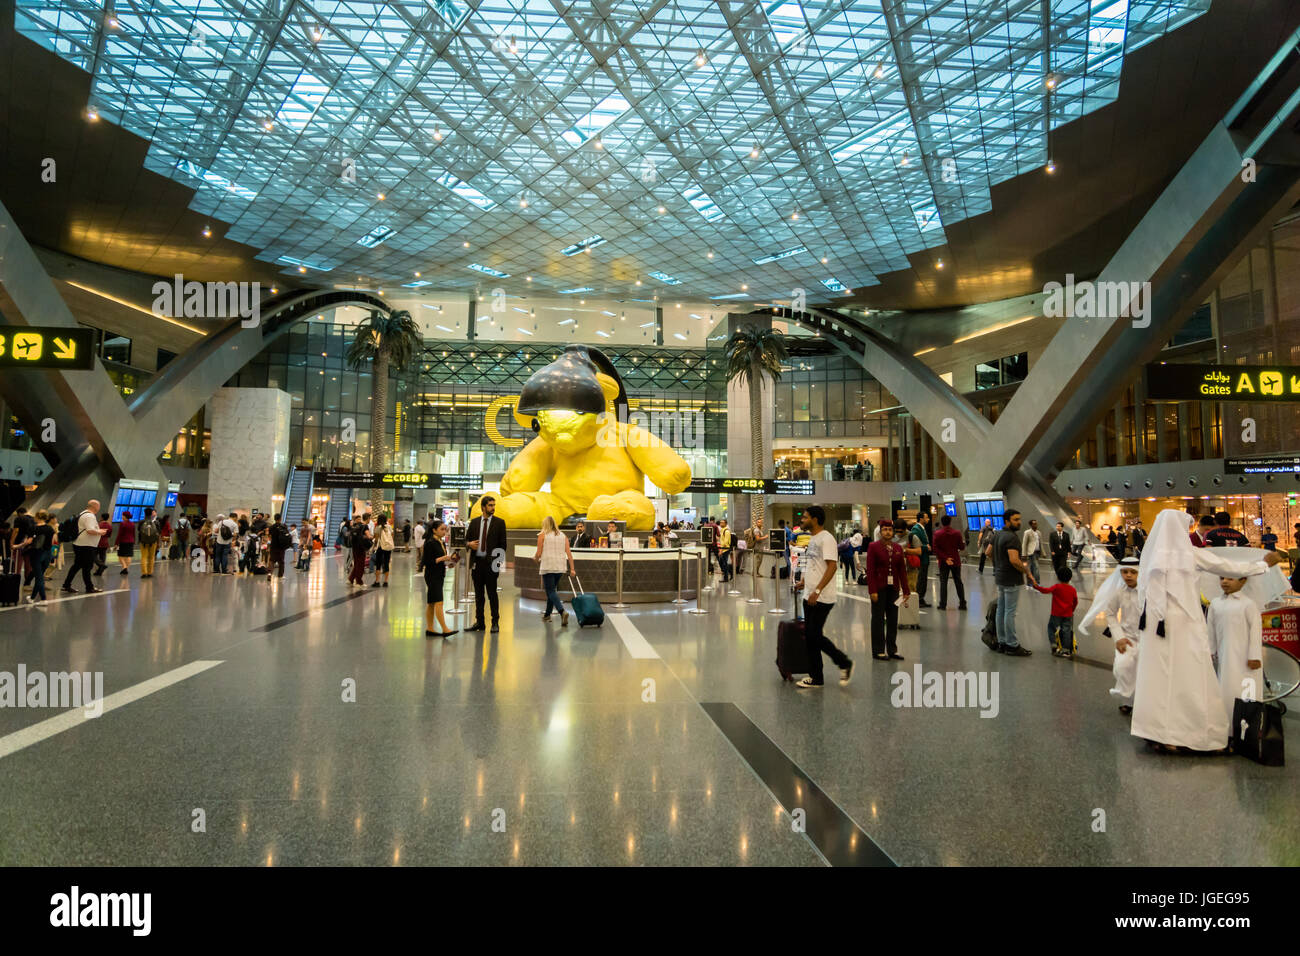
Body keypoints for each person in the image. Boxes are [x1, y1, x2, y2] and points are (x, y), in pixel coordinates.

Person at [1131, 509, 1283, 753]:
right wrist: (1263, 565)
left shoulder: (1150, 557)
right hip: (1183, 623)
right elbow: (1228, 566)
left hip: (1154, 626)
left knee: (1158, 678)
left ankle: (1157, 731)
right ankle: (1191, 732)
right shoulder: (1188, 554)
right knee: (1192, 676)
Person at [793, 505, 853, 689]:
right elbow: (813, 564)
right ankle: (816, 676)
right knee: (812, 636)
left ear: (815, 519)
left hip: (821, 597)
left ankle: (843, 662)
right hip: (809, 594)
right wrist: (804, 581)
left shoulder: (826, 539)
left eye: (805, 517)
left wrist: (817, 590)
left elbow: (832, 566)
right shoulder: (814, 539)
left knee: (813, 635)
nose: (801, 520)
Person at [1079, 557, 1142, 713]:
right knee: (1122, 668)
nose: (1128, 575)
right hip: (1126, 637)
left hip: (1147, 639)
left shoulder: (1148, 591)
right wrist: (1118, 637)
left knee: (1143, 672)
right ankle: (1125, 698)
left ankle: (1137, 703)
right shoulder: (1119, 591)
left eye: (1133, 572)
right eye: (1125, 572)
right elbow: (1110, 613)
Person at [1207, 575, 1264, 729]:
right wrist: (1210, 651)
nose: (1225, 581)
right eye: (1221, 578)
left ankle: (1245, 733)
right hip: (1224, 658)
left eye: (1231, 578)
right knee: (1225, 691)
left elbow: (1255, 631)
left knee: (1246, 693)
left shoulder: (1248, 604)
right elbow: (1210, 630)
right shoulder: (1215, 603)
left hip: (1245, 660)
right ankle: (1227, 730)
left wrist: (1254, 656)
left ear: (1243, 580)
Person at [988, 508, 1034, 656]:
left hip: (1000, 577)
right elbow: (1014, 560)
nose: (1019, 522)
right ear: (1007, 521)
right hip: (1011, 579)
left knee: (1001, 610)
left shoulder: (997, 534)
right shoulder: (1012, 538)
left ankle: (1002, 642)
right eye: (1015, 520)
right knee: (1009, 612)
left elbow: (987, 552)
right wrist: (1027, 572)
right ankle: (1012, 645)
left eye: (1019, 519)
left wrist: (998, 565)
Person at [865, 518, 911, 661]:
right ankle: (878, 650)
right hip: (879, 588)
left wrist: (906, 590)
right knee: (878, 619)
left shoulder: (898, 548)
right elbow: (870, 570)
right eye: (885, 529)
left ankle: (892, 649)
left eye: (890, 530)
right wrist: (872, 590)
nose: (887, 532)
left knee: (893, 619)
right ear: (880, 532)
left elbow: (902, 571)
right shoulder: (873, 547)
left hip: (894, 589)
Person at [466, 495, 507, 633]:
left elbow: (502, 546)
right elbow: (466, 541)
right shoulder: (475, 522)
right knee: (479, 595)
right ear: (483, 507)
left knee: (492, 595)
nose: (493, 508)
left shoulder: (500, 523)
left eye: (494, 505)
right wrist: (469, 544)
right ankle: (480, 622)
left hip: (491, 565)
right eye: (490, 505)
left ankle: (495, 622)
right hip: (477, 564)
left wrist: (497, 566)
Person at [536, 515, 576, 625]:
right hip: (560, 567)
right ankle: (547, 615)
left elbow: (539, 553)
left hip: (548, 566)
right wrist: (572, 568)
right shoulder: (563, 536)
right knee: (552, 590)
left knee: (550, 591)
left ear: (545, 524)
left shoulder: (542, 535)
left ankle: (562, 611)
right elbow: (569, 553)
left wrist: (535, 558)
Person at [423, 519, 459, 637]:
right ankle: (444, 629)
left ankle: (430, 628)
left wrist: (450, 562)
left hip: (439, 573)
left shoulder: (441, 542)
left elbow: (440, 560)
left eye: (445, 529)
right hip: (432, 575)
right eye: (442, 529)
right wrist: (442, 559)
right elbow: (427, 561)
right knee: (439, 601)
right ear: (434, 530)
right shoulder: (430, 542)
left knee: (432, 602)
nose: (444, 532)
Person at [1032, 565, 1079, 658]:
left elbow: (1046, 591)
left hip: (1056, 614)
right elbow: (1075, 602)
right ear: (1070, 578)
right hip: (1068, 614)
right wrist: (1071, 610)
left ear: (1058, 577)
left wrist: (1037, 587)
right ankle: (1065, 650)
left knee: (1051, 628)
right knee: (1066, 631)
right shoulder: (1072, 589)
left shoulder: (1057, 587)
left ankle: (1054, 644)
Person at [62, 499, 106, 594]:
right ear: (95, 507)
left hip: (79, 544)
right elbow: (90, 530)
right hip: (86, 545)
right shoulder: (90, 516)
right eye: (99, 506)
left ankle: (66, 585)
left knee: (77, 566)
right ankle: (89, 587)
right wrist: (100, 532)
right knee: (87, 567)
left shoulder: (82, 513)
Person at [20, 511, 55, 605]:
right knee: (39, 576)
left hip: (36, 554)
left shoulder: (33, 528)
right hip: (47, 554)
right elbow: (52, 542)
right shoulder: (50, 528)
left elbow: (29, 541)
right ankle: (32, 598)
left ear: (37, 517)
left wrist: (18, 545)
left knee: (39, 578)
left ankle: (43, 599)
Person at [932, 515, 967, 610]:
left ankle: (943, 604)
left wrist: (945, 558)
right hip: (955, 560)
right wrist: (962, 543)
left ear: (942, 522)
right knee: (958, 582)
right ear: (950, 522)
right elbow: (961, 547)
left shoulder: (937, 534)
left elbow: (935, 549)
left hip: (943, 562)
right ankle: (962, 603)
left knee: (943, 582)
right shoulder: (957, 533)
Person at [910, 512, 932, 607]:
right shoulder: (916, 529)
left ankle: (921, 598)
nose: (928, 519)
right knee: (920, 580)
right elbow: (915, 544)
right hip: (920, 558)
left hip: (924, 558)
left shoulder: (922, 529)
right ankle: (918, 599)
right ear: (921, 519)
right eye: (926, 517)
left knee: (923, 580)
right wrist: (925, 547)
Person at [348, 513, 371, 586]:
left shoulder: (356, 525)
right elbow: (369, 536)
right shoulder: (365, 526)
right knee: (361, 564)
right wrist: (372, 537)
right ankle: (359, 582)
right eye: (369, 518)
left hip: (355, 546)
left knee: (357, 563)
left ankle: (351, 579)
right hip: (361, 547)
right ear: (367, 519)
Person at [370, 514, 394, 587]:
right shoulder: (389, 527)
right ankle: (386, 581)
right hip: (388, 548)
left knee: (378, 564)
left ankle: (377, 581)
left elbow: (376, 539)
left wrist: (374, 547)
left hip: (380, 548)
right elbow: (392, 535)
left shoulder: (378, 528)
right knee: (386, 563)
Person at [137, 507, 160, 578]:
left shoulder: (141, 522)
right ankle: (150, 572)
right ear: (151, 514)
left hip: (143, 542)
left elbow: (139, 530)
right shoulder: (156, 522)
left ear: (144, 513)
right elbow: (159, 531)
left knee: (144, 557)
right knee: (151, 557)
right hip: (153, 542)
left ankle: (144, 573)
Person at [268, 512, 292, 579]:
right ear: (280, 519)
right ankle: (280, 575)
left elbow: (269, 536)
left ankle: (269, 574)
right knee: (281, 561)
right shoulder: (284, 526)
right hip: (281, 546)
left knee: (272, 560)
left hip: (273, 546)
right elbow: (287, 535)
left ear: (274, 519)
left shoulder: (271, 527)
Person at [114, 510, 136, 575]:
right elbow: (133, 533)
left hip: (123, 541)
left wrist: (116, 543)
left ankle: (124, 567)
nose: (122, 516)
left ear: (124, 516)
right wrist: (134, 540)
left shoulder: (122, 523)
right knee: (129, 555)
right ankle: (126, 568)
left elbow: (120, 534)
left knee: (120, 555)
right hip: (131, 541)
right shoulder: (132, 524)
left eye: (122, 515)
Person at [1021, 519, 1042, 584]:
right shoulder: (1027, 532)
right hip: (1031, 553)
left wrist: (1043, 553)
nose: (1036, 525)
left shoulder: (1039, 532)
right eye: (1034, 524)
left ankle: (1029, 582)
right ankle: (1037, 583)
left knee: (1032, 568)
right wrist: (1024, 554)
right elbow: (1024, 544)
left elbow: (1041, 543)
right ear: (1031, 525)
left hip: (1037, 552)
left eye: (1036, 523)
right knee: (1036, 567)